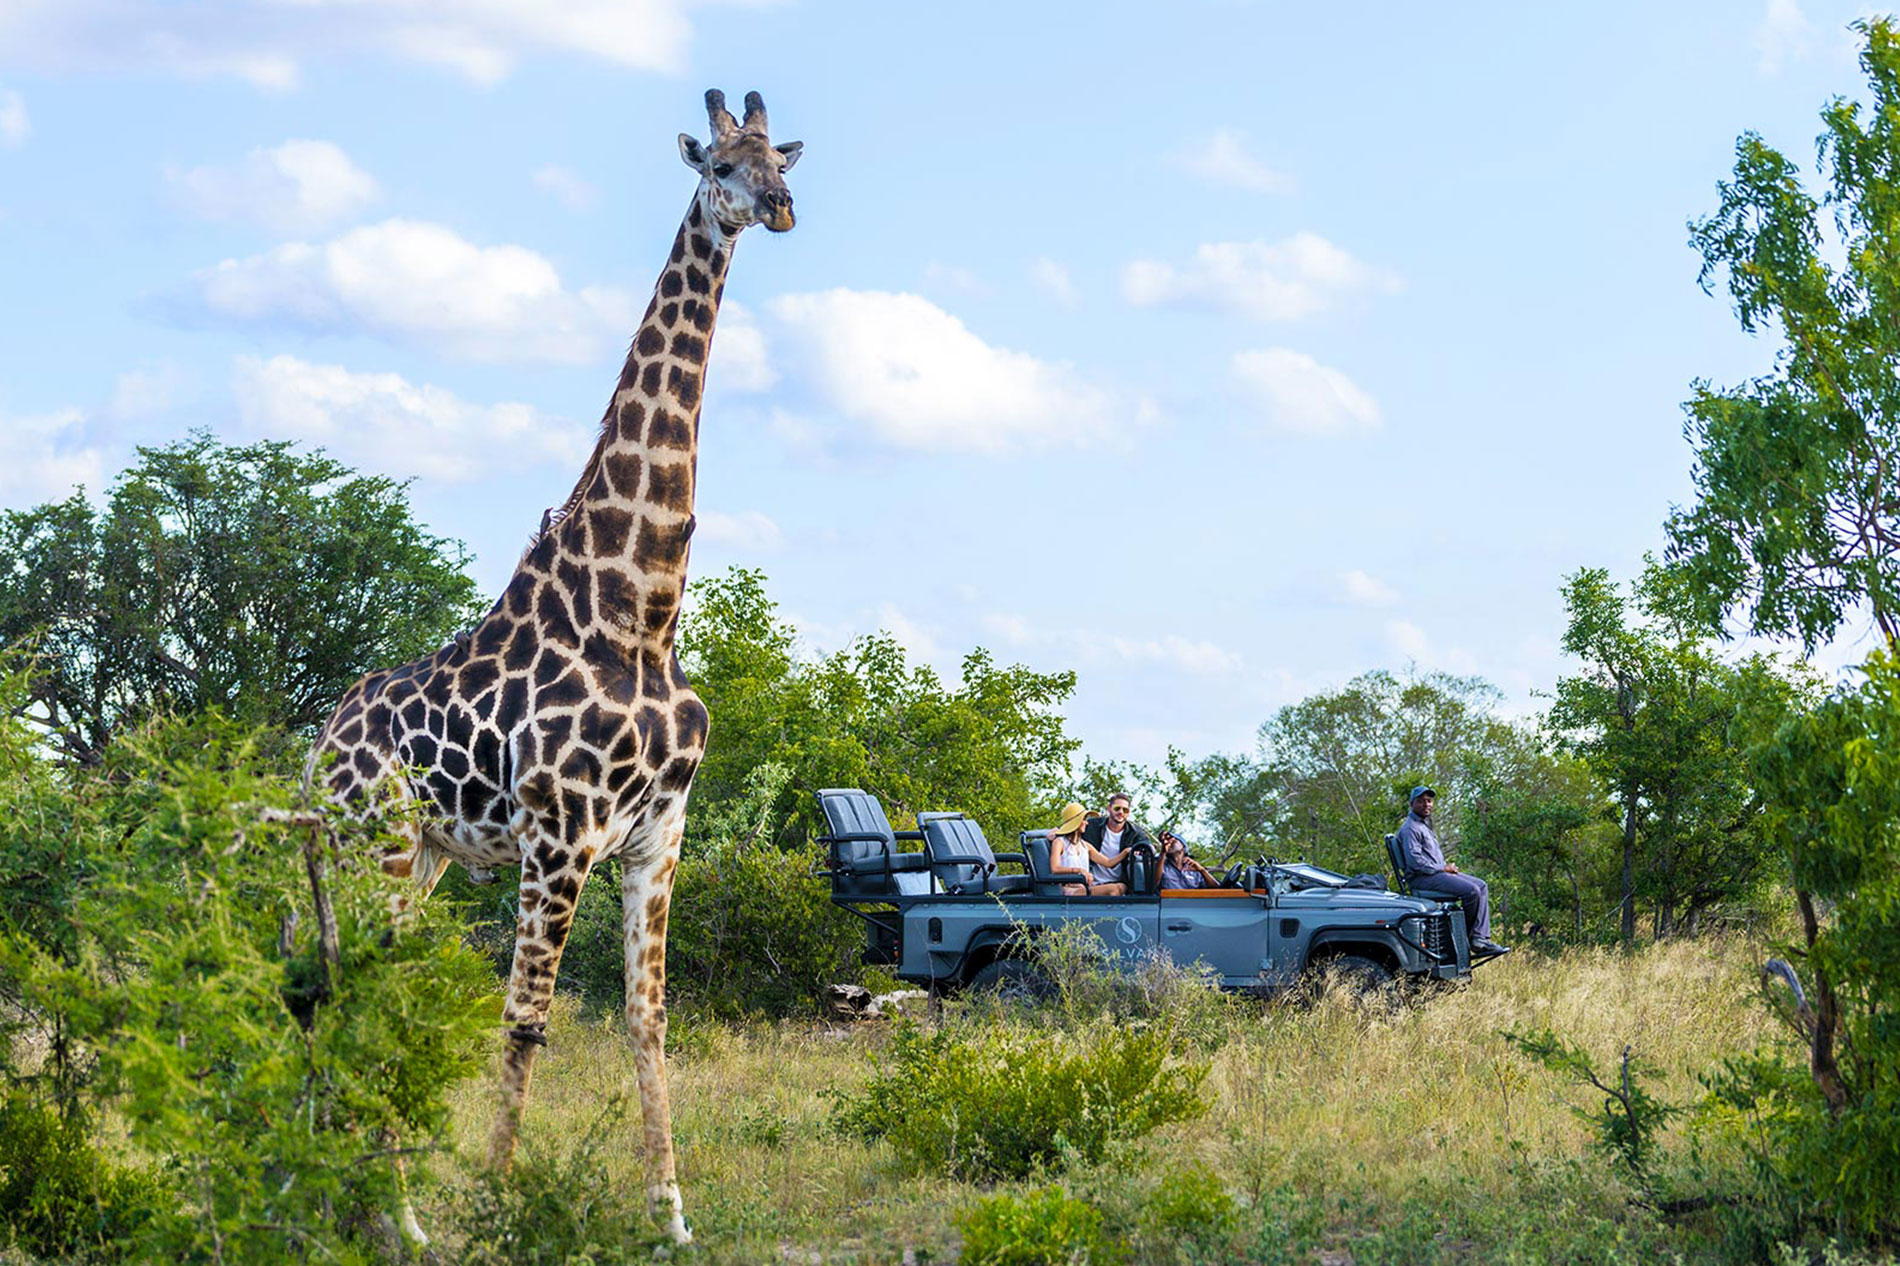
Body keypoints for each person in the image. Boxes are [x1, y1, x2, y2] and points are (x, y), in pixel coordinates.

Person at [1395, 786, 1509, 956]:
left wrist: (1445, 868)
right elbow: (1415, 863)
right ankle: (1466, 938)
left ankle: (1479, 937)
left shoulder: (1423, 825)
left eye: (1429, 800)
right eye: (1421, 801)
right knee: (1471, 891)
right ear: (1412, 804)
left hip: (1435, 874)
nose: (1426, 804)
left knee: (1482, 886)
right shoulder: (1411, 828)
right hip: (1423, 879)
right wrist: (1443, 868)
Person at [1081, 792, 1152, 892]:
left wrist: (1137, 852)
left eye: (1125, 810)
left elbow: (1148, 848)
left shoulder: (1135, 833)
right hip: (1090, 882)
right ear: (1109, 808)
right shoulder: (1092, 825)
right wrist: (1056, 831)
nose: (1121, 812)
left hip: (1119, 885)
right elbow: (1071, 830)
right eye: (1117, 808)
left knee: (1115, 890)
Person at [1044, 802, 1101, 897]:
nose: (1087, 823)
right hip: (1069, 889)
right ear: (1076, 822)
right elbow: (1055, 869)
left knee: (1121, 887)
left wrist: (1127, 851)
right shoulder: (1059, 842)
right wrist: (1079, 870)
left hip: (1083, 887)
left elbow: (1108, 862)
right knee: (1114, 890)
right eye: (1084, 819)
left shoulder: (1084, 845)